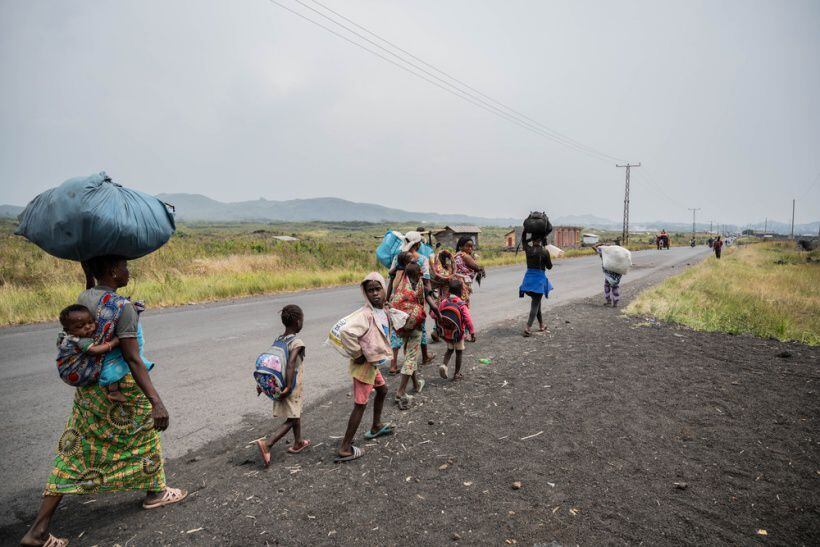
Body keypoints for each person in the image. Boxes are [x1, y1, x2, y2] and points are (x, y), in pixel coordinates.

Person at [22, 256, 185, 547]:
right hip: (119, 385)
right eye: (124, 266)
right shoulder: (122, 308)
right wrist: (157, 402)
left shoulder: (86, 296)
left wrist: (88, 270)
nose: (128, 271)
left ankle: (38, 529)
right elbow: (132, 358)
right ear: (112, 270)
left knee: (75, 447)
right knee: (146, 434)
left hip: (90, 390)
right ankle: (156, 494)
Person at [336, 273, 395, 462]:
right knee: (360, 405)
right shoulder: (365, 314)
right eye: (370, 290)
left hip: (372, 365)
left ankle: (376, 426)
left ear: (384, 289)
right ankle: (345, 447)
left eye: (378, 289)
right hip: (364, 367)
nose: (375, 294)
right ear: (365, 293)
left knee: (383, 390)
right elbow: (346, 332)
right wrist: (358, 354)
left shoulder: (381, 310)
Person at [255, 305, 310, 467]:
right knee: (292, 418)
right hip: (290, 386)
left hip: (278, 384)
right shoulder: (297, 342)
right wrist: (287, 388)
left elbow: (269, 363)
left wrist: (262, 383)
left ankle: (298, 442)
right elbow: (291, 363)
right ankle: (268, 444)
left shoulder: (279, 339)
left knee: (295, 413)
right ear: (298, 321)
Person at [389, 261, 438, 410]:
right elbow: (428, 299)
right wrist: (436, 310)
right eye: (419, 273)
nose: (421, 275)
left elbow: (393, 301)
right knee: (410, 357)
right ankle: (400, 391)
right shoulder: (418, 285)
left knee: (410, 352)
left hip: (402, 327)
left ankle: (416, 384)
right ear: (416, 274)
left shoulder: (402, 284)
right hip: (414, 326)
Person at [56, 304, 124, 402]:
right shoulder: (78, 340)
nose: (88, 327)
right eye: (80, 326)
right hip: (75, 372)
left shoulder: (63, 336)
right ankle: (114, 392)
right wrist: (113, 343)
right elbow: (93, 350)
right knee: (111, 363)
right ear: (68, 330)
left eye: (90, 322)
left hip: (66, 374)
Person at [438, 278, 475, 381]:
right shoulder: (461, 305)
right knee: (459, 352)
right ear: (460, 292)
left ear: (449, 291)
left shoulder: (444, 302)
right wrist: (472, 332)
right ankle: (456, 374)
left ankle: (444, 365)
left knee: (449, 350)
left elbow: (434, 314)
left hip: (447, 333)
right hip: (458, 334)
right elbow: (468, 319)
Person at [519, 235, 554, 336]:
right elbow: (549, 267)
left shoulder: (528, 249)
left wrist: (531, 237)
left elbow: (523, 240)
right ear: (542, 240)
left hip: (527, 282)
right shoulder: (544, 251)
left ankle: (541, 325)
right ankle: (528, 328)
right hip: (538, 282)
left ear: (532, 240)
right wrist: (548, 255)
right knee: (535, 304)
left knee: (537, 303)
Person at [454, 236, 485, 307]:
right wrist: (481, 269)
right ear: (460, 247)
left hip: (457, 283)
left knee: (459, 303)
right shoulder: (465, 256)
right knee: (463, 304)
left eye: (471, 246)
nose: (470, 248)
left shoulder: (457, 255)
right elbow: (477, 268)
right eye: (467, 246)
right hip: (463, 284)